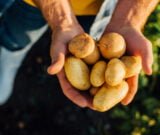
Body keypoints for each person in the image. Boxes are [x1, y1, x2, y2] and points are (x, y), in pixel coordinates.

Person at [0, 0, 159, 109]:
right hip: (31, 3)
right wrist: (62, 19)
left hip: (106, 6)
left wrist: (129, 18)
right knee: (15, 39)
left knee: (91, 37)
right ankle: (8, 63)